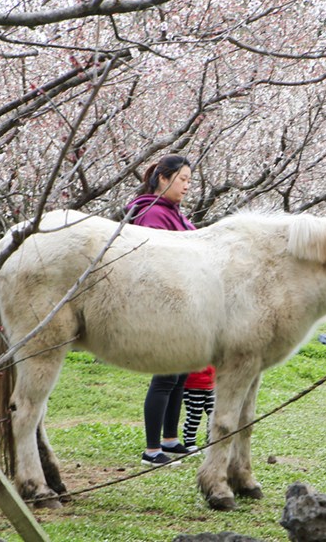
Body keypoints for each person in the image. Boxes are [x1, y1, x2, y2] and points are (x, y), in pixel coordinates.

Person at [126, 154, 196, 467]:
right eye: (182, 180)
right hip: (163, 305)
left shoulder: (174, 213)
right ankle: (152, 450)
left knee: (179, 376)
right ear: (163, 179)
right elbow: (157, 263)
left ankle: (170, 439)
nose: (186, 187)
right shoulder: (152, 214)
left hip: (183, 304)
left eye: (189, 181)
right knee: (166, 377)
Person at [182, 365, 215, 453]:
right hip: (194, 385)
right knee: (194, 415)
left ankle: (211, 441)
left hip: (210, 384)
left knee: (213, 414)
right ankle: (189, 443)